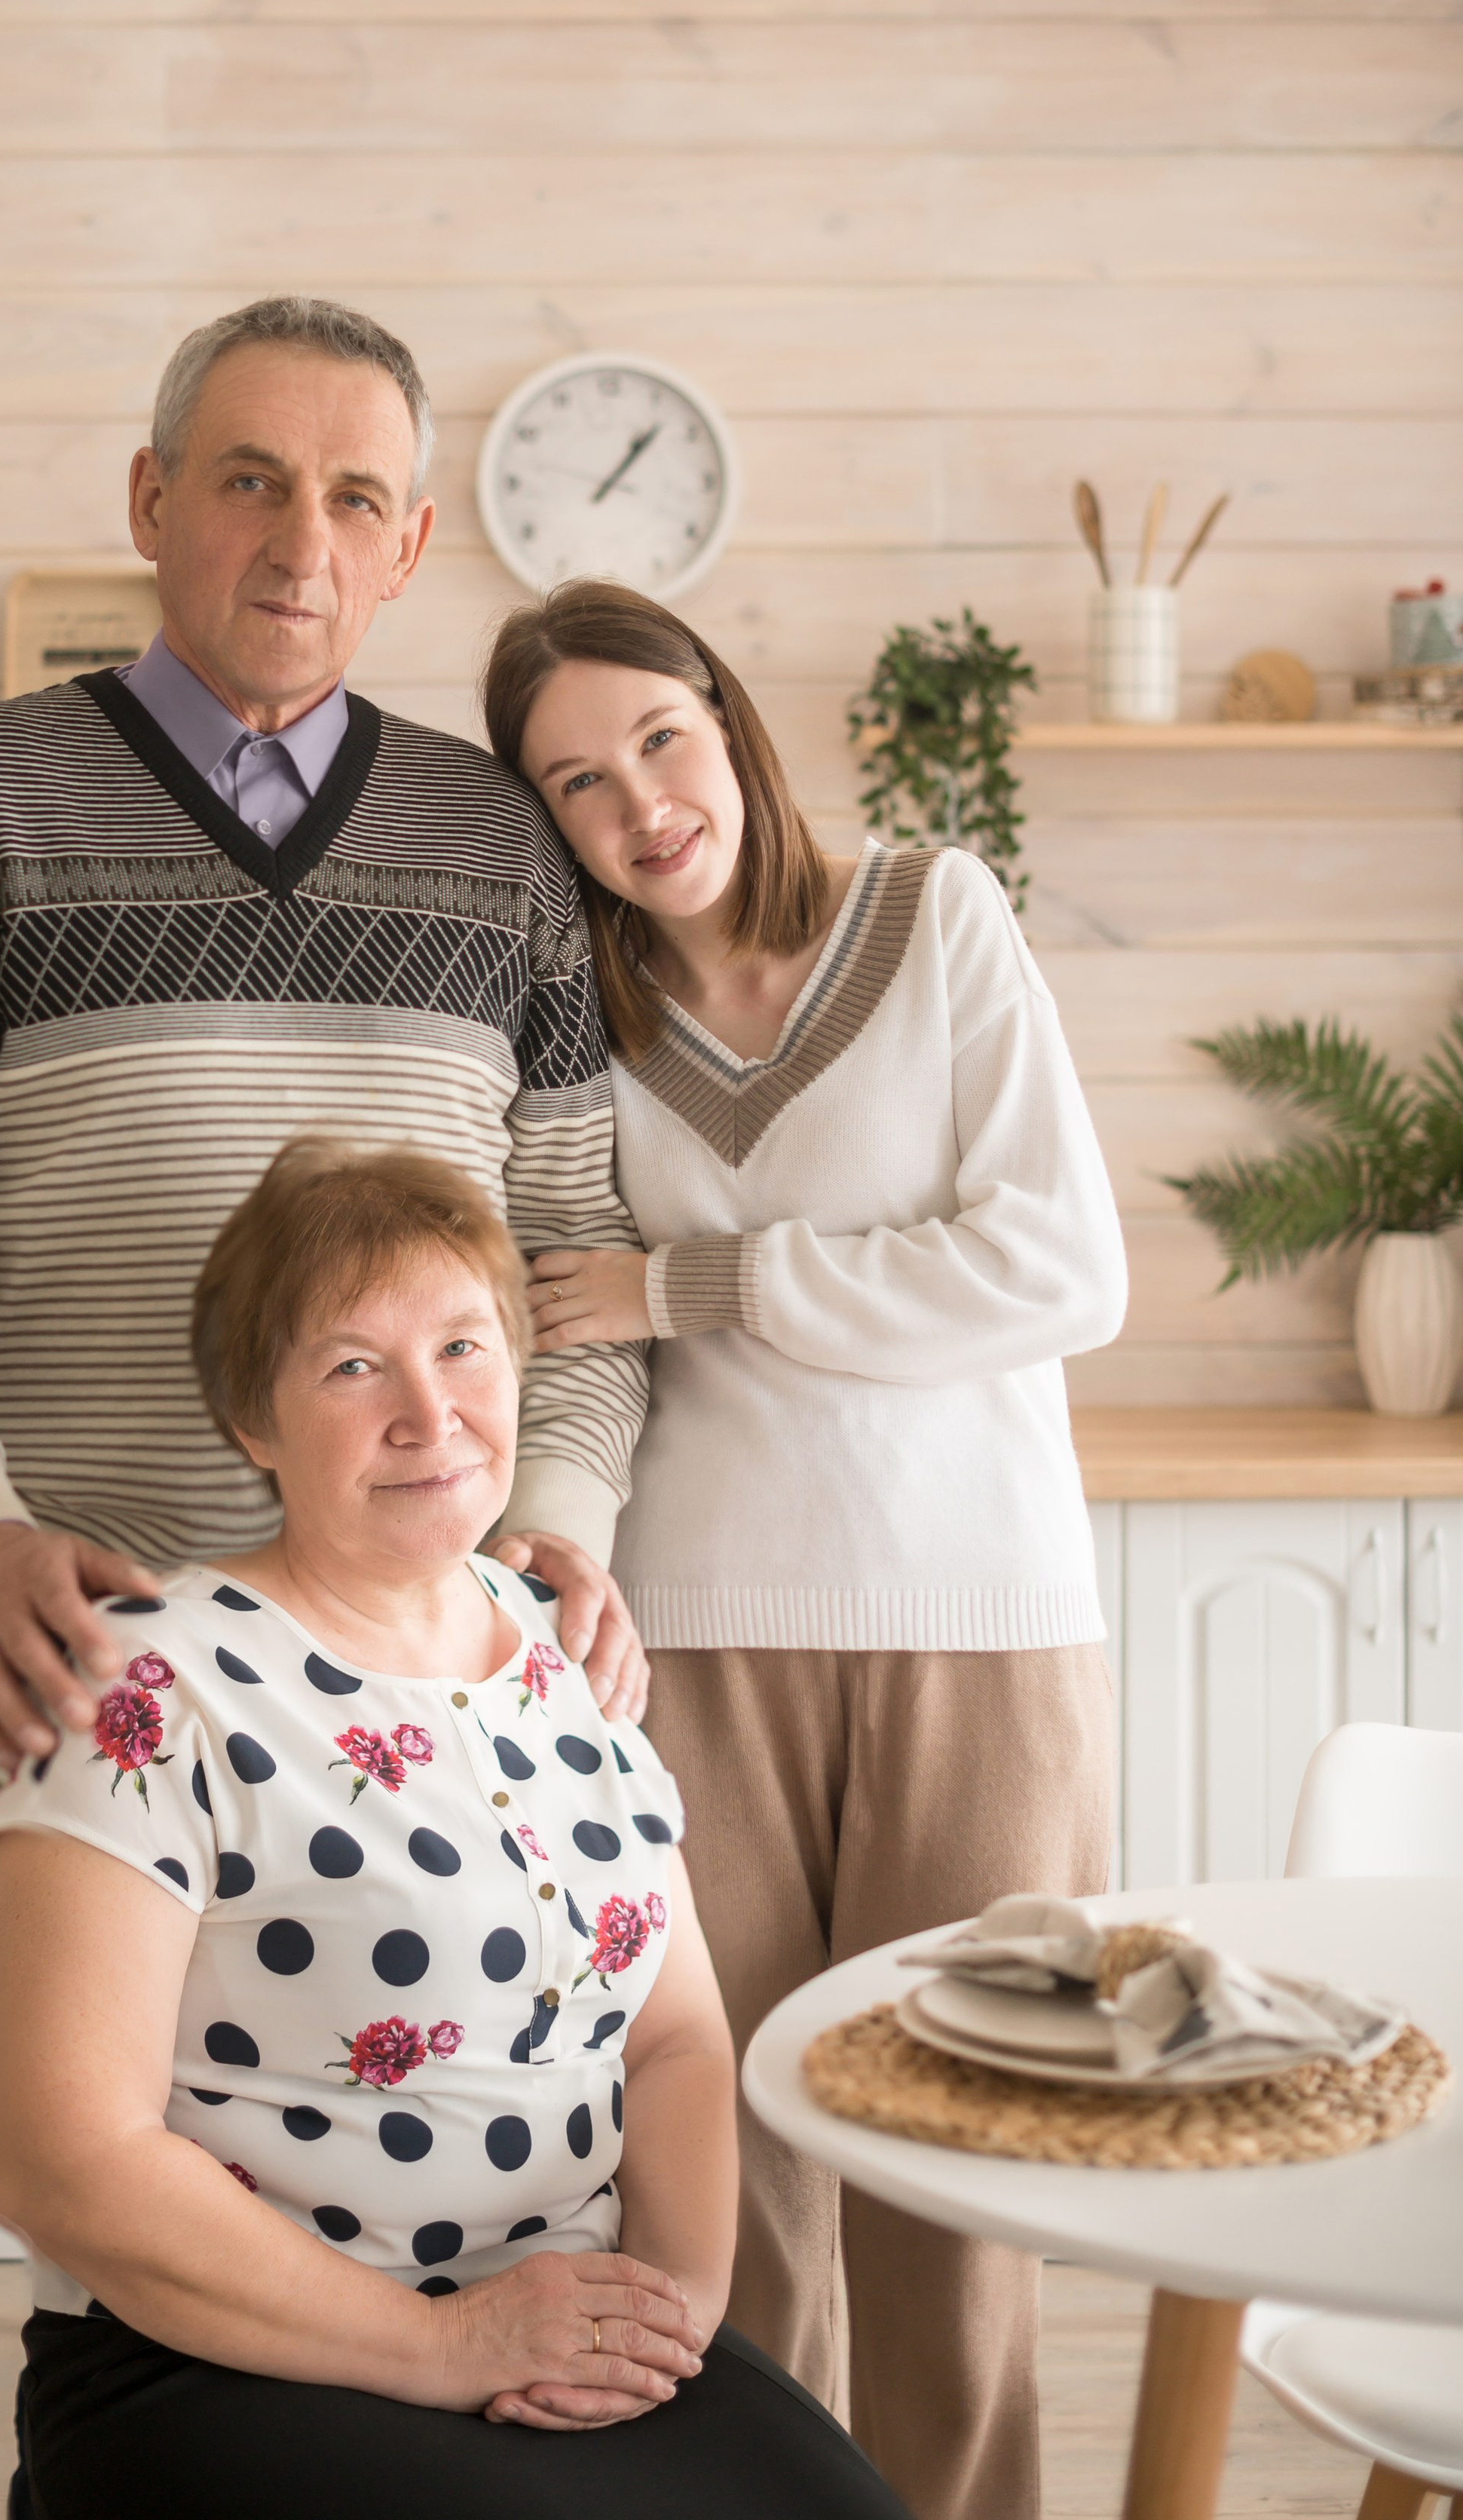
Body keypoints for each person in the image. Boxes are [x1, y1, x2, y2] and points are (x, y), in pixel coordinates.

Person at [0, 1138, 910, 2520]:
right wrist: (450, 2345)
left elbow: (677, 2038)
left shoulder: (569, 1652)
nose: (431, 1413)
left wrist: (668, 2315)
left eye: (465, 1347)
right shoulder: (143, 1686)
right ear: (253, 1421)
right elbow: (50, 2157)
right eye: (353, 1367)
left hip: (569, 2327)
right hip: (227, 2360)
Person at [0, 299, 652, 1795]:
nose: (301, 541)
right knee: (89, 2048)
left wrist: (560, 1524)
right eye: (250, 479)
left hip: (444, 1661)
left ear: (408, 545)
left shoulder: (503, 842)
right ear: (151, 498)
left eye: (354, 497)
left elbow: (575, 1244)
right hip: (101, 1651)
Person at [481, 582, 1128, 2520]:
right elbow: (559, 1324)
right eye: (576, 784)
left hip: (975, 1635)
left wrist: (706, 1281)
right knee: (718, 2184)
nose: (640, 809)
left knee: (960, 2178)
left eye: (658, 742)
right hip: (694, 1641)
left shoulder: (937, 918)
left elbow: (1057, 1267)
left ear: (726, 717)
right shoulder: (579, 1017)